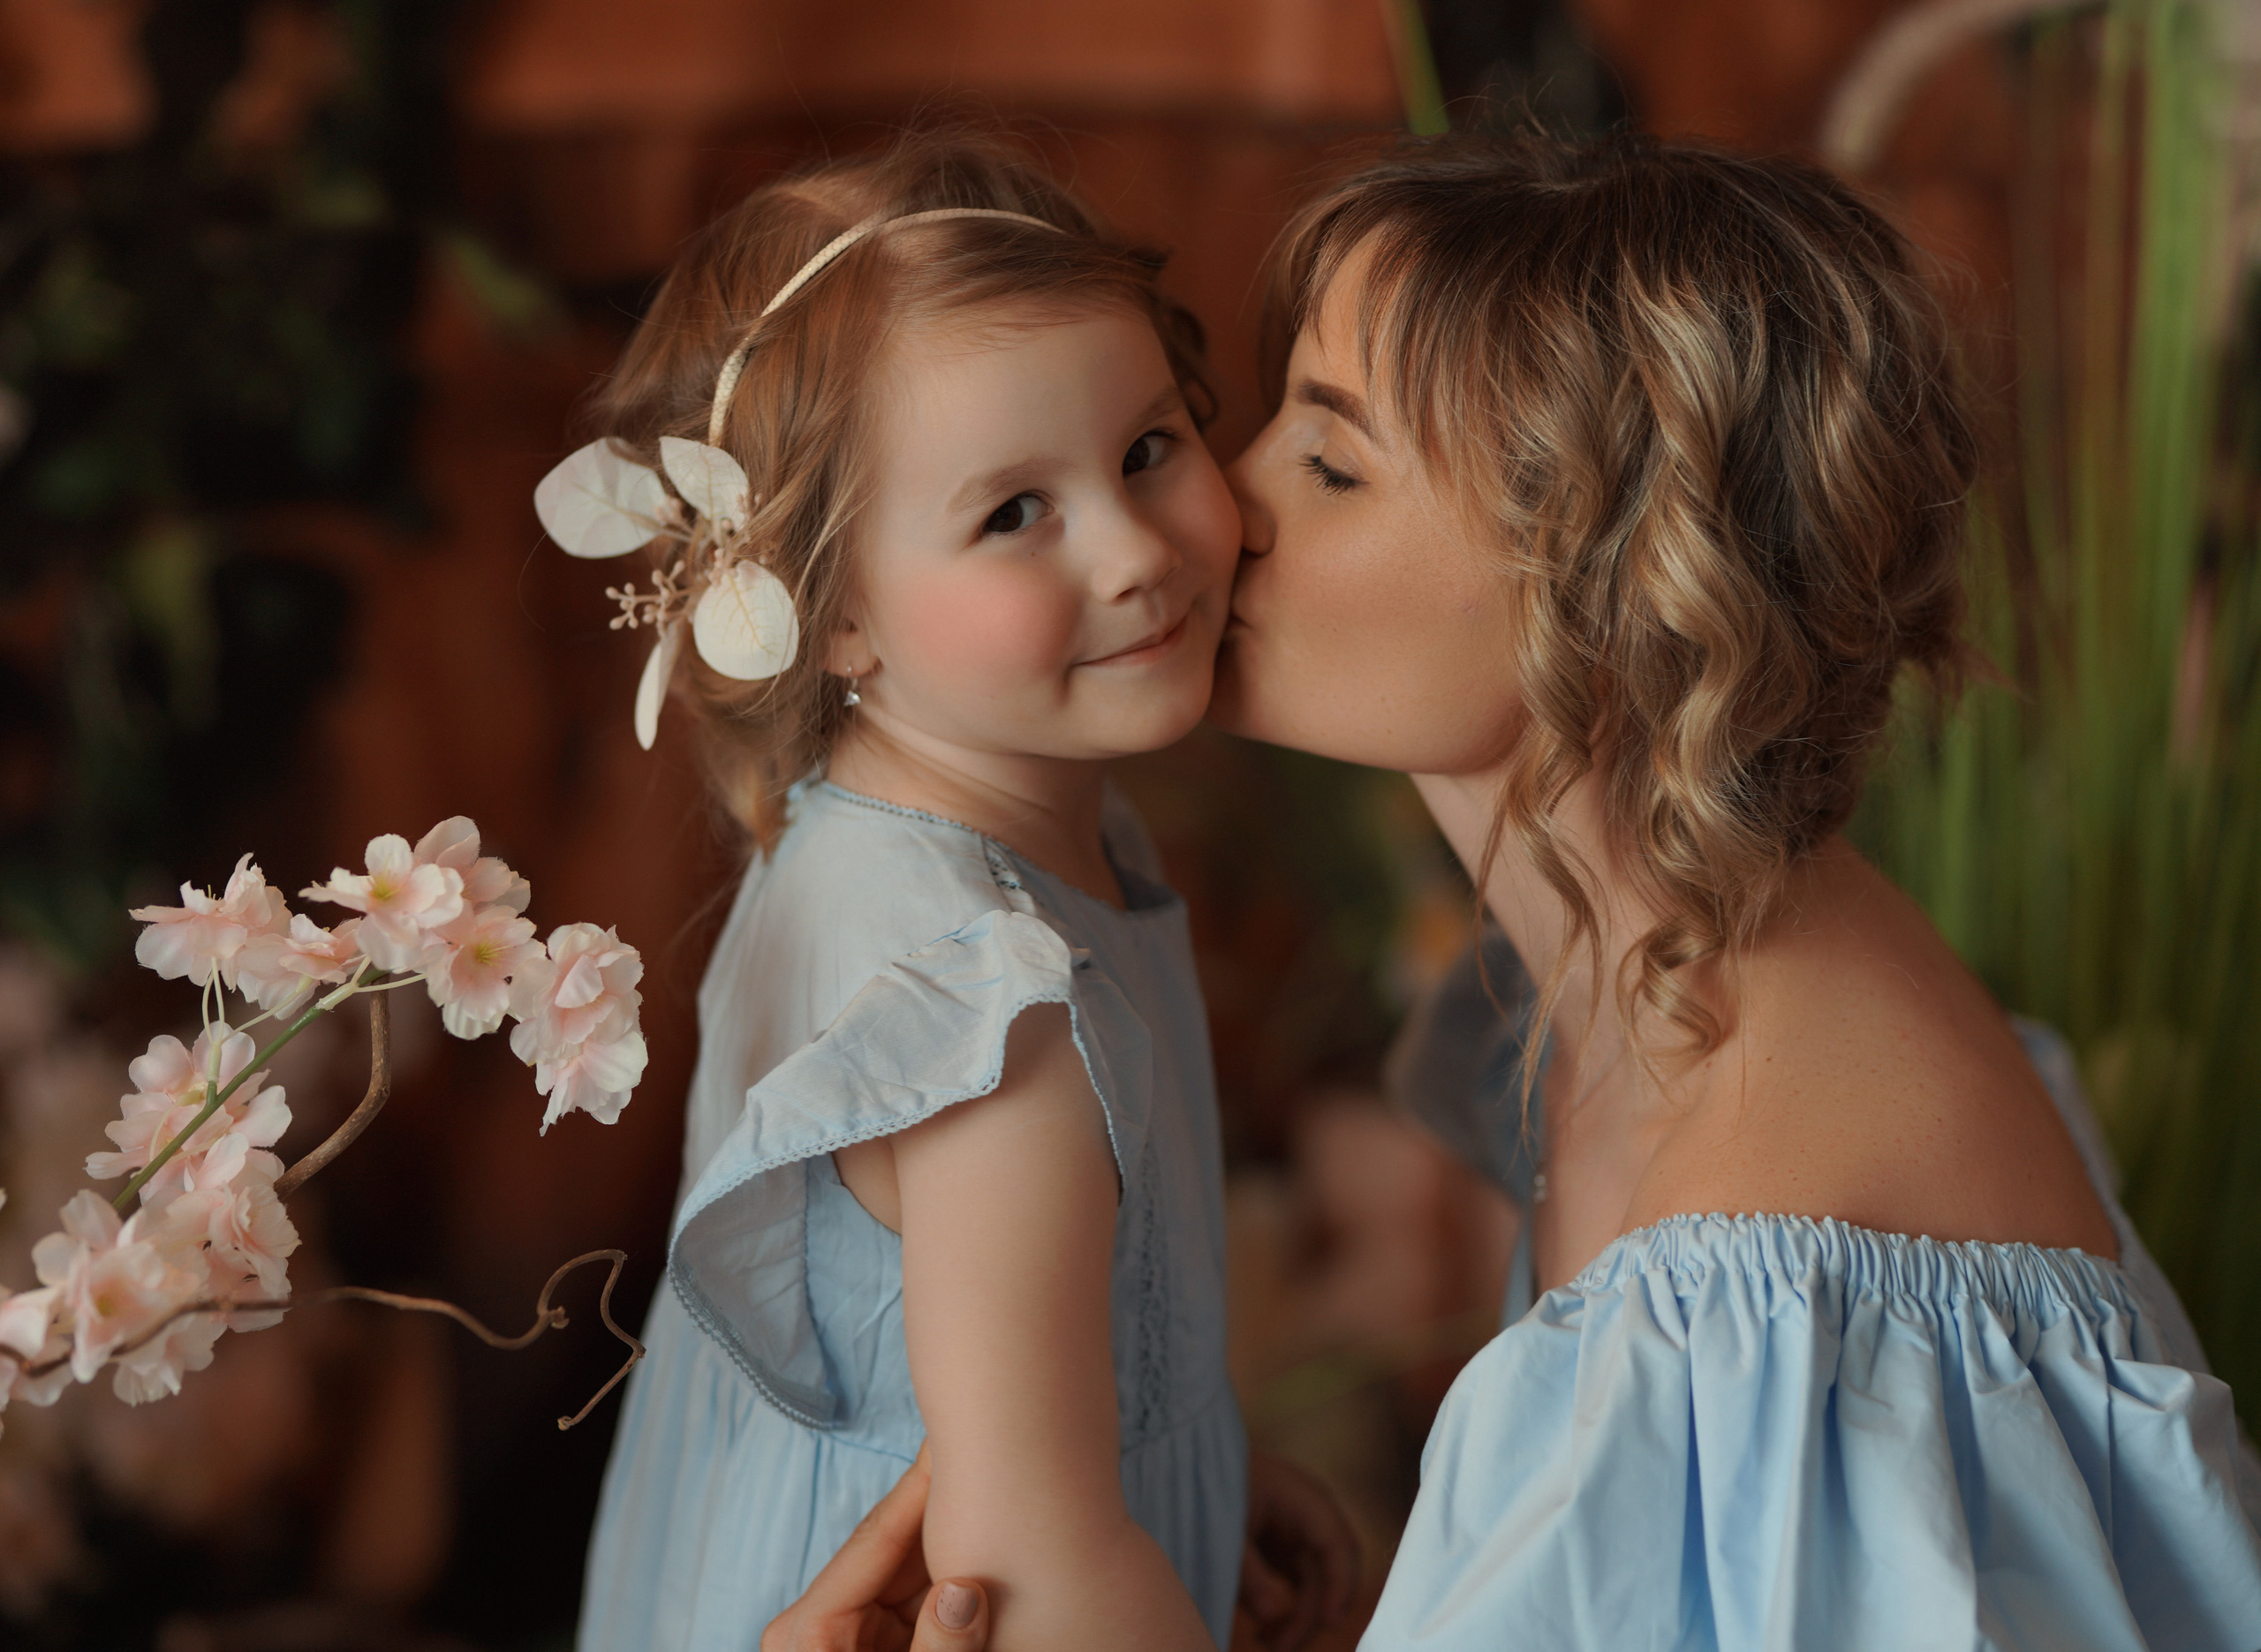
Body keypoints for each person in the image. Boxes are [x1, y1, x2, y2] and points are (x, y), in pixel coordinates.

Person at [765, 129, 2261, 1650]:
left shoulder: (1767, 1289)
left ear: (1618, 598)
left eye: (1334, 462)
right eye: (1275, 419)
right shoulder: (1636, 988)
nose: (1225, 500)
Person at [556, 135, 1350, 1652]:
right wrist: (1116, 1507)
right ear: (831, 610)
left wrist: (1199, 1462)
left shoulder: (918, 837)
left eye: (1147, 449)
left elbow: (965, 1379)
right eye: (1012, 514)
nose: (1132, 553)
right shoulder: (985, 1012)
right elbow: (1028, 1562)